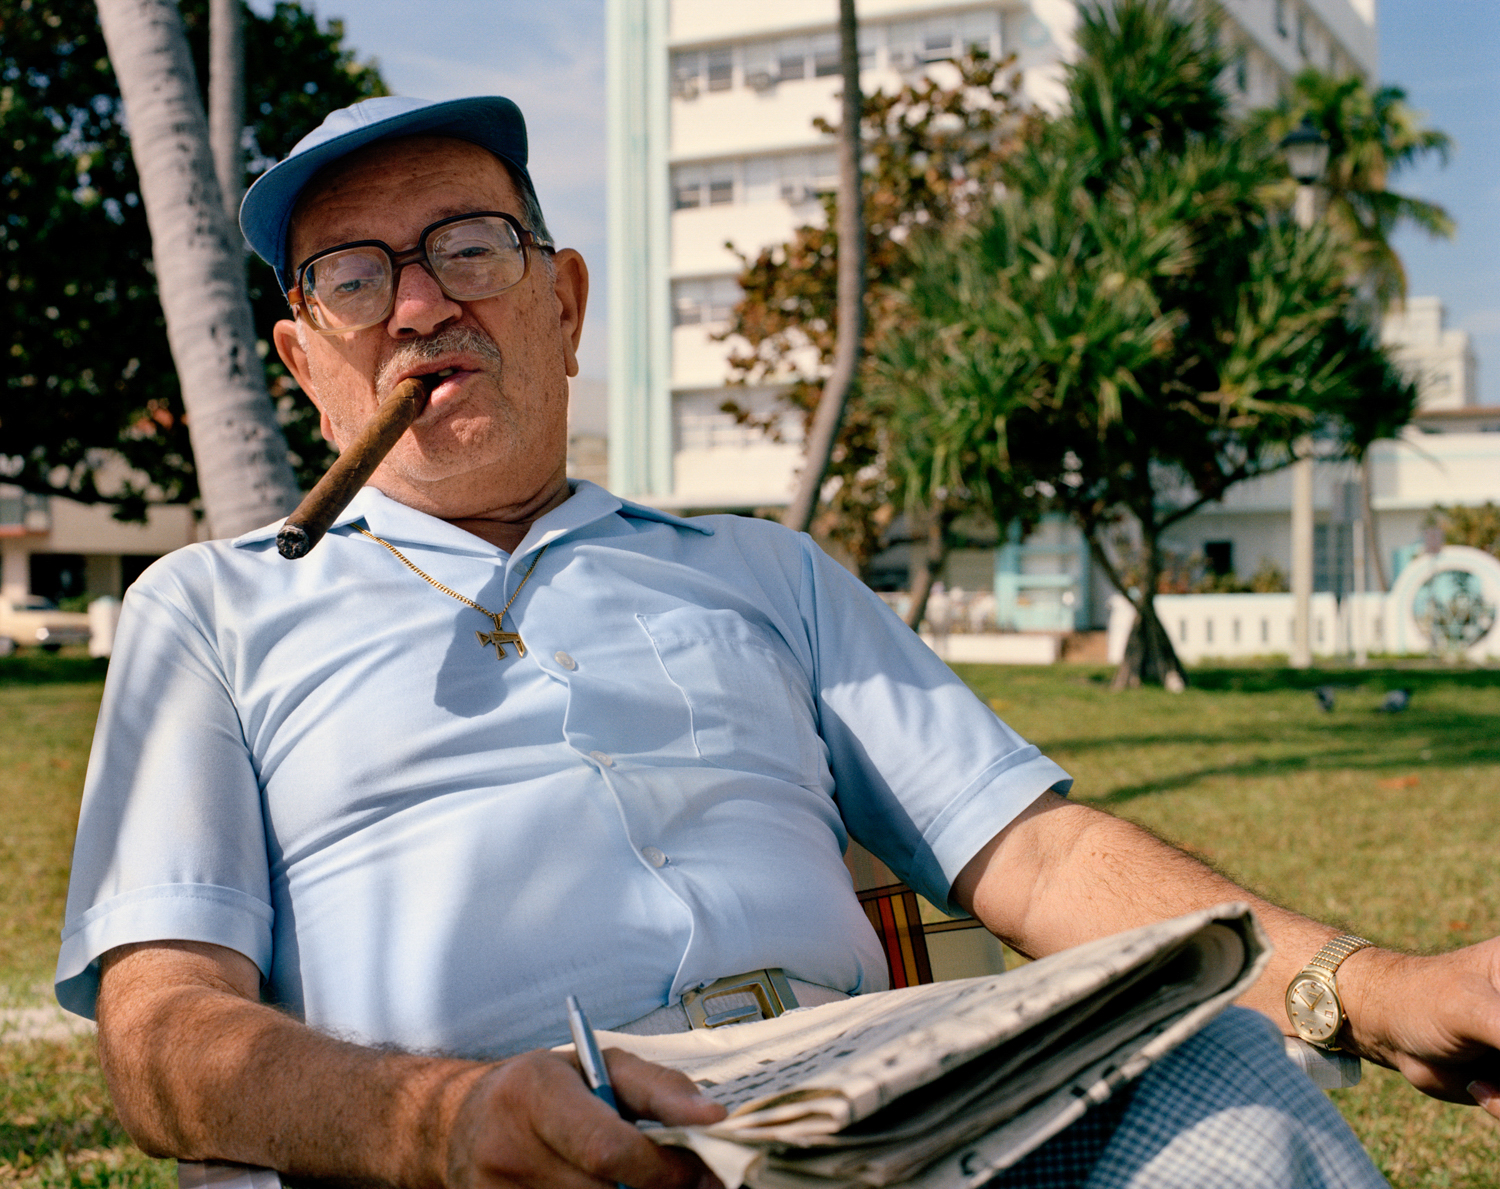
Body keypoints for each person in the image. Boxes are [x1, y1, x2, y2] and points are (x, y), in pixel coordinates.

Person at [57, 95, 1500, 1189]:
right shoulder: (217, 609)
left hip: (867, 1115)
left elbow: (1039, 855)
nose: (423, 303)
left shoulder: (764, 572)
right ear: (306, 359)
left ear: (559, 304)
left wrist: (1373, 986)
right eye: (357, 280)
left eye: (468, 248)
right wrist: (445, 1118)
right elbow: (161, 1029)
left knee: (1228, 1082)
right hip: (485, 1148)